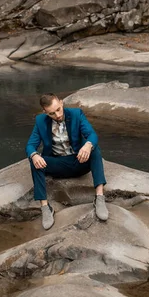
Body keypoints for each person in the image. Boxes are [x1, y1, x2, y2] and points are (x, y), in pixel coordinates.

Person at [25, 93, 108, 230]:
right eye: (51, 113)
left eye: (58, 109)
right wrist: (34, 155)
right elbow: (30, 146)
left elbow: (92, 135)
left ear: (62, 103)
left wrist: (87, 145)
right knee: (35, 160)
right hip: (58, 164)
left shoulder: (76, 114)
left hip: (79, 161)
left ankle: (99, 197)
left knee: (94, 148)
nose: (57, 115)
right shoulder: (40, 121)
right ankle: (45, 207)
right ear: (45, 112)